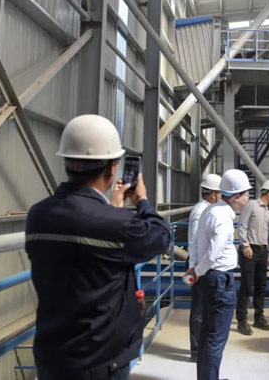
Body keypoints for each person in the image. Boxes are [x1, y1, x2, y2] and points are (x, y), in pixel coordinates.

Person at [25, 114, 170, 380]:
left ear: (67, 162)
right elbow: (160, 236)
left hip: (52, 358)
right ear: (112, 169)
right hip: (101, 362)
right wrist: (142, 201)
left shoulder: (38, 215)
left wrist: (112, 210)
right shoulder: (115, 224)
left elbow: (82, 256)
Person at [187, 169, 251, 380]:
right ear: (236, 196)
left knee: (207, 335)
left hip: (208, 278)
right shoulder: (223, 217)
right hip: (219, 280)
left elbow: (195, 243)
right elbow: (214, 253)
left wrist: (194, 267)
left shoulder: (210, 210)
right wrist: (198, 270)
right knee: (216, 339)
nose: (248, 198)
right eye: (246, 194)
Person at [235, 180, 269, 336]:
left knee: (261, 285)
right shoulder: (251, 205)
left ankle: (258, 317)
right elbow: (242, 225)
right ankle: (241, 320)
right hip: (250, 250)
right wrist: (245, 245)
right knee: (247, 285)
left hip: (262, 251)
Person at [186, 174, 221, 362]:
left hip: (202, 263)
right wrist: (196, 268)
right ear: (213, 194)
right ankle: (196, 350)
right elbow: (195, 242)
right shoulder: (201, 211)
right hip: (199, 264)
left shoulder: (205, 209)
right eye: (220, 193)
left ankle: (200, 348)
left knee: (203, 307)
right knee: (199, 309)